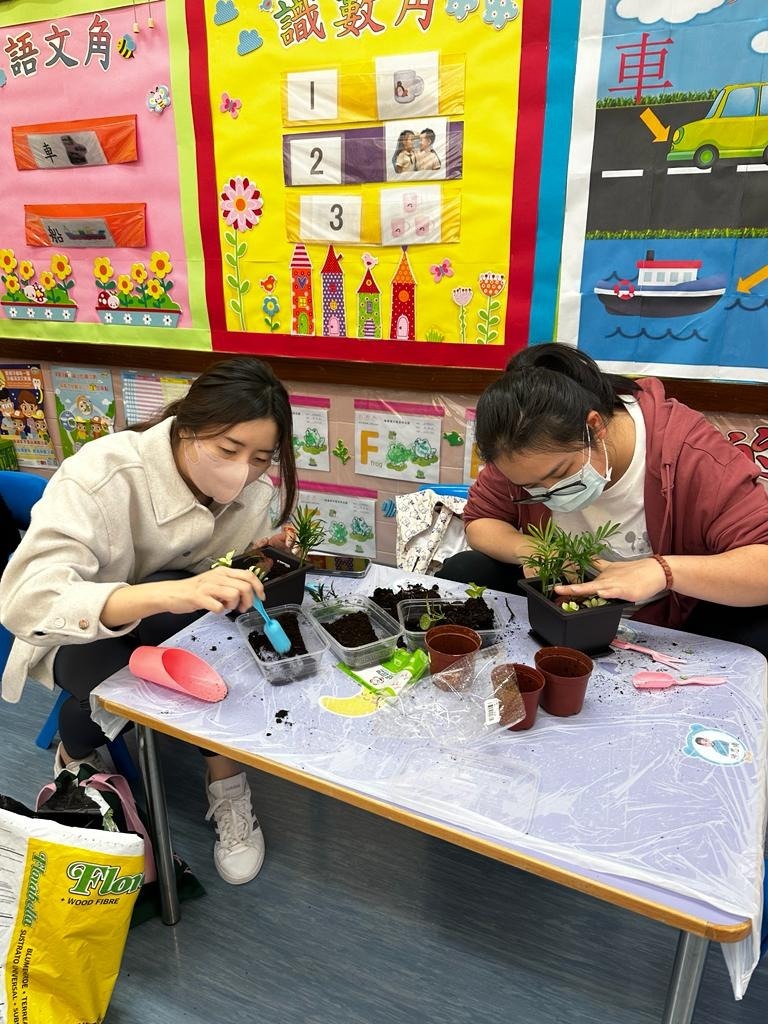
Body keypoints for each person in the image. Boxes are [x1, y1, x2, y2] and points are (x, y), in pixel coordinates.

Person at [0, 357, 298, 885]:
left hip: (168, 621)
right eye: (228, 450)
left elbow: (208, 574)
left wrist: (256, 557)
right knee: (115, 684)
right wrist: (168, 592)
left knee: (215, 662)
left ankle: (225, 780)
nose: (243, 472)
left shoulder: (253, 495)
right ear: (186, 427)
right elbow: (27, 600)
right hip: (74, 630)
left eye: (260, 458)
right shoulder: (104, 473)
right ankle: (79, 754)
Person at [438, 343, 768, 655]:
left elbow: (761, 563)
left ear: (594, 427)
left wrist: (662, 572)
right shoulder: (518, 451)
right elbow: (481, 521)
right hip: (559, 608)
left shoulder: (691, 454)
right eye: (532, 487)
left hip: (672, 617)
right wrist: (535, 550)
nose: (551, 492)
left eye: (561, 472)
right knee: (467, 569)